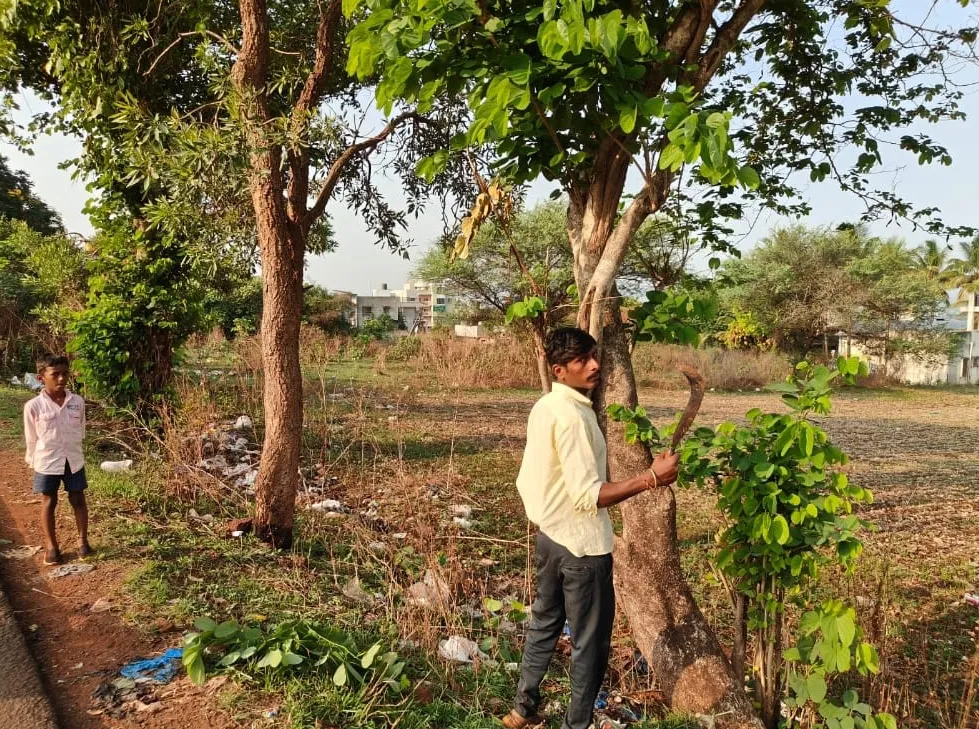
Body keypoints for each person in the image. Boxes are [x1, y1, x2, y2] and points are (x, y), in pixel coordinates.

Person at [502, 327, 680, 729]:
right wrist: (651, 477)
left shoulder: (547, 405)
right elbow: (589, 495)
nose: (595, 365)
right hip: (582, 548)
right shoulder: (572, 419)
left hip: (550, 537)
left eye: (594, 356)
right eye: (583, 361)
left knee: (544, 624)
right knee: (591, 647)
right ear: (559, 369)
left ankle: (522, 711)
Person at [23, 354, 92, 566]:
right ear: (42, 377)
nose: (62, 379)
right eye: (56, 375)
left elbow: (80, 431)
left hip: (73, 459)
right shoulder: (33, 406)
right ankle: (52, 546)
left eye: (65, 374)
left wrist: (75, 452)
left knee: (78, 499)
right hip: (47, 461)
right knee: (49, 501)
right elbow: (31, 438)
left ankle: (83, 542)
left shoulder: (77, 402)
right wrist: (35, 463)